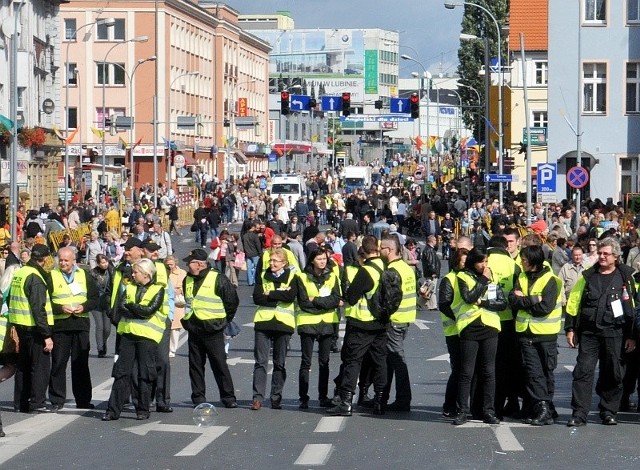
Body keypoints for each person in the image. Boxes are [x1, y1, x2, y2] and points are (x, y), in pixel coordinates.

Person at [565, 238, 636, 426]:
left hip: (616, 332)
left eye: (606, 254)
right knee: (583, 372)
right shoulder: (588, 276)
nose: (602, 257)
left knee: (613, 373)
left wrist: (632, 336)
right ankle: (579, 413)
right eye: (600, 253)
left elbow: (634, 308)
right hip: (590, 333)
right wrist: (570, 328)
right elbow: (574, 301)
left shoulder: (627, 278)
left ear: (616, 256)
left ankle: (609, 410)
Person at [329, 235, 390, 416]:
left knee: (352, 362)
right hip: (381, 323)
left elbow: (352, 296)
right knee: (380, 363)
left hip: (362, 322)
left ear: (363, 249)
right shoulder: (386, 267)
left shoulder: (366, 271)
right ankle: (380, 401)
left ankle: (346, 402)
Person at [102, 259, 166, 421]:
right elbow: (121, 306)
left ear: (146, 274)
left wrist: (133, 308)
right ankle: (112, 410)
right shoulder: (129, 287)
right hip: (128, 335)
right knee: (121, 373)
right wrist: (136, 309)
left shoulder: (158, 289)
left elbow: (149, 311)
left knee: (145, 373)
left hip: (147, 337)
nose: (133, 274)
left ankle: (143, 409)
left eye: (136, 272)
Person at [509, 245, 562, 426]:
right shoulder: (522, 277)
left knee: (546, 373)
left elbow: (544, 308)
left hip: (546, 334)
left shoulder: (550, 280)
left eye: (524, 260)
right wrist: (531, 300)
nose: (521, 262)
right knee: (533, 373)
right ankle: (543, 408)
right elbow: (513, 300)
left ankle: (546, 408)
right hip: (526, 333)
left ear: (533, 262)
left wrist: (523, 301)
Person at [453, 247, 506, 425]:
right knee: (467, 371)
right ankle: (462, 410)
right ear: (472, 262)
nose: (484, 265)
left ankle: (488, 410)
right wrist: (483, 279)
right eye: (481, 262)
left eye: (486, 262)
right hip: (470, 327)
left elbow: (500, 303)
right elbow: (468, 298)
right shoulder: (462, 277)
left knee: (489, 371)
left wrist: (483, 302)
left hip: (490, 326)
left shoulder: (493, 276)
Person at [182, 248, 239, 408]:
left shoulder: (217, 278)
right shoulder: (188, 279)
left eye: (190, 262)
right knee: (195, 366)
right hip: (194, 328)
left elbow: (232, 301)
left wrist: (224, 321)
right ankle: (198, 398)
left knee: (219, 364)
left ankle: (228, 397)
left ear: (200, 264)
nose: (187, 265)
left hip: (213, 329)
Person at [47, 246, 98, 411]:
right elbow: (46, 303)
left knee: (81, 364)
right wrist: (60, 308)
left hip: (80, 325)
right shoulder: (52, 276)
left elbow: (95, 298)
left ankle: (83, 400)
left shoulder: (84, 275)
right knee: (59, 363)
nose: (63, 263)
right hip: (61, 326)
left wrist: (84, 307)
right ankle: (57, 400)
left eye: (66, 260)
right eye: (60, 260)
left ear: (73, 261)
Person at [8, 244, 54, 413]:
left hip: (19, 325)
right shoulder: (36, 277)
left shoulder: (20, 272)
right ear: (45, 259)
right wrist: (46, 335)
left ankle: (20, 402)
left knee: (23, 366)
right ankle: (37, 402)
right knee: (40, 367)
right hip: (33, 327)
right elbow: (38, 309)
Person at [251, 248, 298, 410]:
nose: (272, 264)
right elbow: (257, 297)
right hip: (263, 323)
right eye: (271, 261)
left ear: (284, 263)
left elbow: (290, 297)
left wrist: (270, 294)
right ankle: (257, 397)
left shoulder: (292, 276)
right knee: (260, 362)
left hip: (283, 324)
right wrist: (279, 295)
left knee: (279, 363)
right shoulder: (264, 275)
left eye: (275, 261)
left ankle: (276, 396)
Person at [295, 248, 342, 409]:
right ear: (312, 260)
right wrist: (325, 304)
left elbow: (336, 298)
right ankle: (303, 397)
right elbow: (303, 302)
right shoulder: (302, 276)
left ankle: (323, 396)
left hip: (327, 323)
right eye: (319, 259)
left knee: (324, 362)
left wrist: (316, 300)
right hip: (308, 323)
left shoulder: (332, 275)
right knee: (306, 362)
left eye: (324, 258)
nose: (322, 261)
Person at [380, 234, 416, 412]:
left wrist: (382, 315)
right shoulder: (406, 267)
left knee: (397, 361)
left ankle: (403, 399)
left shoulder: (391, 271)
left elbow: (390, 300)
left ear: (389, 250)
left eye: (382, 248)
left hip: (394, 321)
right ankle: (383, 396)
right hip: (405, 319)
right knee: (390, 360)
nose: (380, 251)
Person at [438, 247, 468, 417]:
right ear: (456, 262)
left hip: (469, 330)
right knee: (458, 369)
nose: (466, 264)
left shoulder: (470, 277)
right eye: (464, 261)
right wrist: (460, 317)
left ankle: (462, 404)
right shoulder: (450, 279)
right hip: (454, 330)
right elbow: (444, 304)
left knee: (467, 370)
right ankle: (449, 404)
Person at [91, 254, 114, 358]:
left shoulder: (112, 271)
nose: (105, 265)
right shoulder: (92, 273)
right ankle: (100, 348)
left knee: (107, 329)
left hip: (107, 302)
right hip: (96, 303)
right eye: (102, 263)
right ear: (98, 263)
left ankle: (104, 342)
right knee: (99, 326)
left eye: (106, 262)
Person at [165, 255, 187, 358]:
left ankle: (172, 349)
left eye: (171, 264)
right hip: (166, 302)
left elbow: (185, 286)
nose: (169, 266)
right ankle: (165, 347)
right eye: (167, 264)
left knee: (175, 329)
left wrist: (180, 290)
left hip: (177, 304)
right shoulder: (164, 272)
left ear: (175, 264)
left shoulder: (182, 273)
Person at [421, 235, 441, 310]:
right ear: (432, 241)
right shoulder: (429, 250)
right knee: (431, 289)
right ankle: (433, 306)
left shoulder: (429, 249)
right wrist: (433, 272)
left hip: (429, 273)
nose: (436, 242)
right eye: (435, 240)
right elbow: (431, 262)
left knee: (428, 289)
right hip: (431, 273)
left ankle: (422, 304)